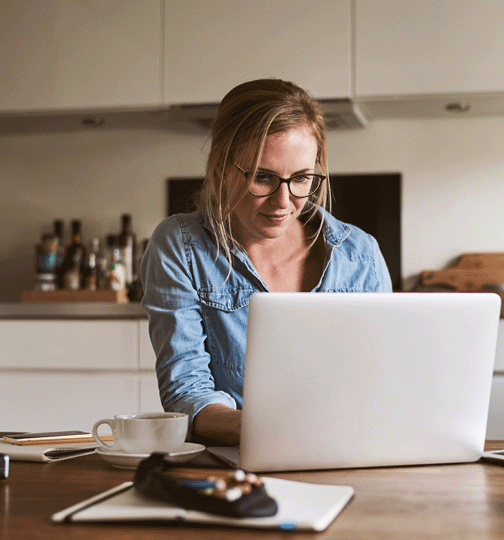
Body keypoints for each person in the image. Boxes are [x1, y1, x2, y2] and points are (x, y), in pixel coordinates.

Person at [140, 79, 392, 444]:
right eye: (263, 177)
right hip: (236, 464)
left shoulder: (360, 254)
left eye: (302, 178)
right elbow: (187, 390)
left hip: (348, 450)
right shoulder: (181, 246)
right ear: (220, 168)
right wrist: (261, 428)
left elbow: (382, 380)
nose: (283, 202)